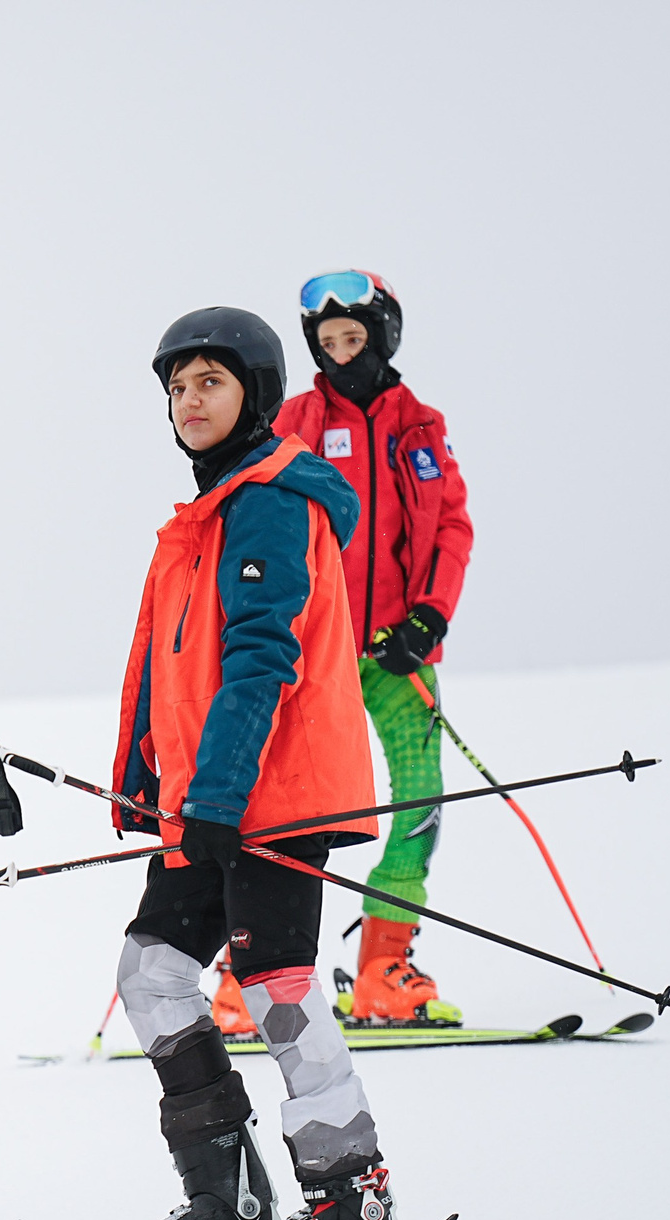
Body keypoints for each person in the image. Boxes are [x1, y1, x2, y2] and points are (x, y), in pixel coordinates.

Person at [77, 308, 409, 1220]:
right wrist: (150, 784)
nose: (189, 401)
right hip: (210, 801)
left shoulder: (270, 502)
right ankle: (226, 1204)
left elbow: (263, 657)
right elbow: (168, 670)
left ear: (255, 395)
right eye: (177, 387)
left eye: (210, 383)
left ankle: (349, 1205)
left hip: (274, 794)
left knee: (278, 988)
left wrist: (217, 794)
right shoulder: (203, 516)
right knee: (152, 973)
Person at [263, 270, 474, 1028]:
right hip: (313, 652)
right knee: (279, 806)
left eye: (354, 340)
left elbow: (450, 526)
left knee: (420, 798)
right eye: (328, 344)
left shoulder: (421, 424)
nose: (342, 355)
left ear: (383, 337)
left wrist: (428, 618)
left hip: (398, 655)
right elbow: (263, 523)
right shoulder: (295, 419)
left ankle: (385, 967)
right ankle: (247, 977)